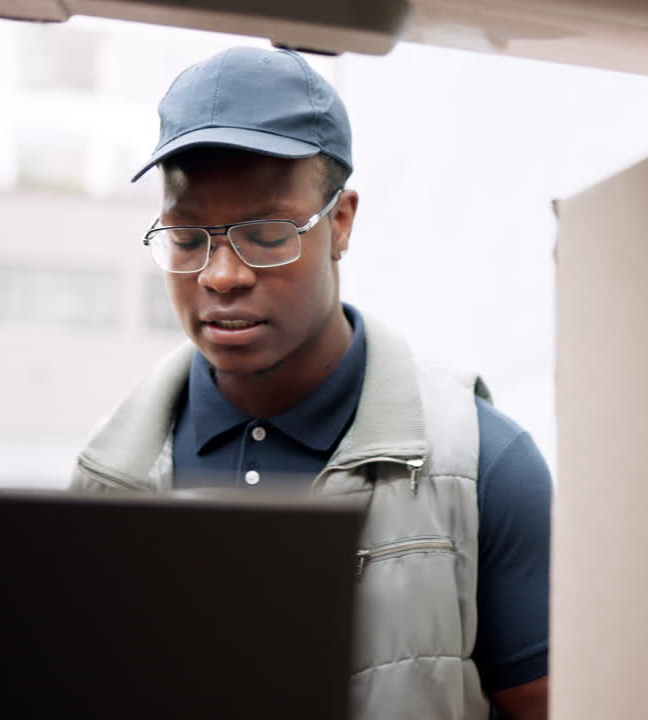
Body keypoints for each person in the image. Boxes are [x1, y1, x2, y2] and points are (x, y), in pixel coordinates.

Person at [70, 46, 551, 720]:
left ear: (341, 222)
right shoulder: (105, 479)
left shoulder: (482, 466)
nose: (220, 276)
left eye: (266, 234)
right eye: (186, 239)